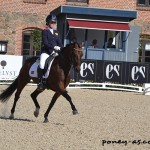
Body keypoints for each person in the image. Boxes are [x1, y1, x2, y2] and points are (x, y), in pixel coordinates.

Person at [38, 14, 63, 90]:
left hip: (56, 53)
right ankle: (41, 82)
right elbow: (45, 43)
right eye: (52, 22)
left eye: (54, 22)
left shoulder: (57, 32)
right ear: (48, 23)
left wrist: (61, 48)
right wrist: (53, 47)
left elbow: (60, 43)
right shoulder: (45, 31)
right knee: (42, 64)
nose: (53, 24)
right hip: (46, 52)